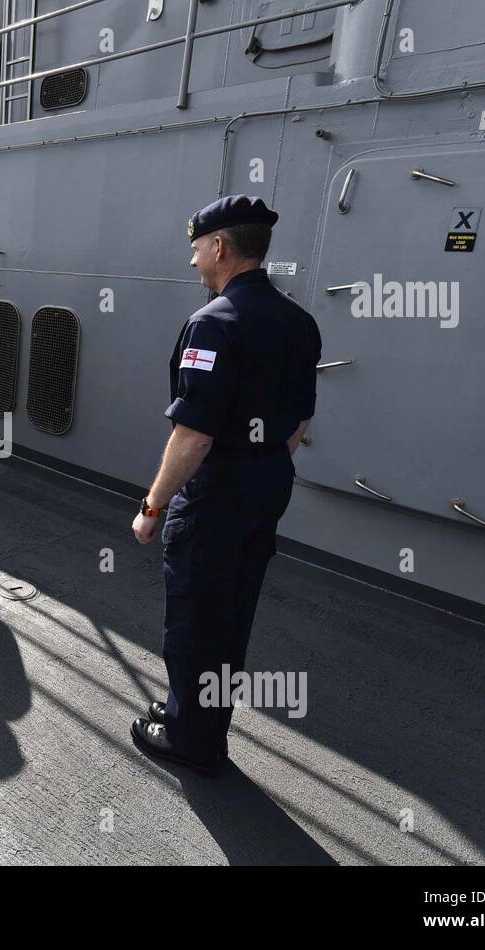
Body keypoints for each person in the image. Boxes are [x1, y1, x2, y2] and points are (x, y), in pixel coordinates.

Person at [129, 195, 321, 775]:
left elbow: (194, 436)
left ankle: (192, 740)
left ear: (218, 247)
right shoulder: (299, 320)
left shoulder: (213, 323)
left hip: (216, 493)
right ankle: (200, 713)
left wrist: (152, 506)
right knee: (233, 611)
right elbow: (300, 421)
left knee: (192, 614)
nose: (193, 263)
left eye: (196, 251)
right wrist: (261, 462)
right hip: (268, 481)